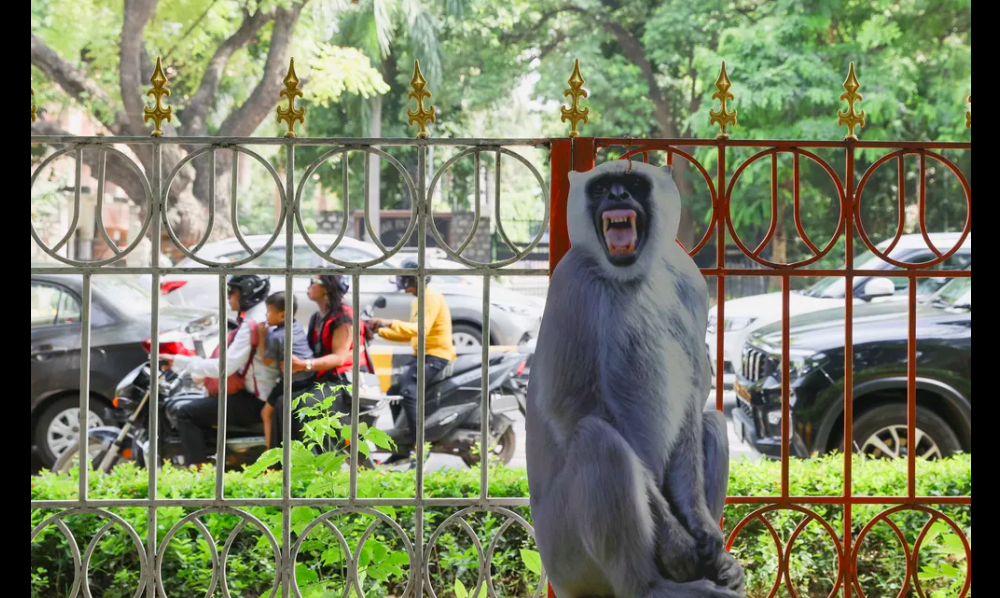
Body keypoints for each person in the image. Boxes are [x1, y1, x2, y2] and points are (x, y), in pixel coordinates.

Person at [164, 275, 275, 467]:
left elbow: (222, 368)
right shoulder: (259, 317)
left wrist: (180, 361)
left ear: (248, 293)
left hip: (254, 400)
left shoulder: (251, 325)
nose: (229, 297)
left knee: (186, 413)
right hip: (263, 395)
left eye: (232, 292)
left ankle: (199, 475)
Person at [369, 259, 457, 466]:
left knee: (409, 393)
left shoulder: (430, 297)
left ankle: (421, 448)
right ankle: (402, 446)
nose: (402, 281)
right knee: (394, 392)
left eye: (405, 277)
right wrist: (378, 331)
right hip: (422, 354)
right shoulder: (418, 299)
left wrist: (386, 322)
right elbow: (412, 335)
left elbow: (420, 329)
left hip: (436, 356)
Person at [269, 274, 373, 448]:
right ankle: (283, 466)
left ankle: (315, 465)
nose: (308, 286)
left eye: (313, 282)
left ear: (326, 288)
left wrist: (304, 365)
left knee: (304, 406)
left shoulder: (344, 318)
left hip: (344, 383)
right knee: (282, 402)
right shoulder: (317, 317)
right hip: (324, 379)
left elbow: (338, 358)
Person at [258, 292, 314, 450]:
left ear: (282, 315)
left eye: (268, 312)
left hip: (293, 382)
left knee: (266, 413)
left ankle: (270, 456)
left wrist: (262, 336)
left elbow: (266, 360)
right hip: (308, 378)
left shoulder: (277, 336)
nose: (266, 315)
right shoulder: (296, 326)